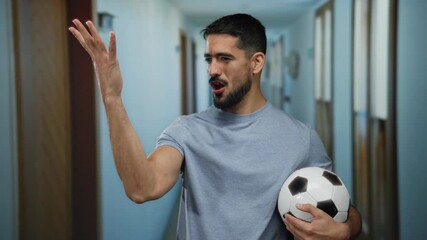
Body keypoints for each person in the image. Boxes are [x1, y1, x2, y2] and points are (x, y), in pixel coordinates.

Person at [69, 13, 361, 239]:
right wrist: (112, 97)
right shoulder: (186, 132)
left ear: (256, 62)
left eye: (225, 59)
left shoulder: (301, 138)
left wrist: (346, 231)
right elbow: (141, 188)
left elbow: (346, 211)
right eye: (209, 59)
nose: (212, 70)